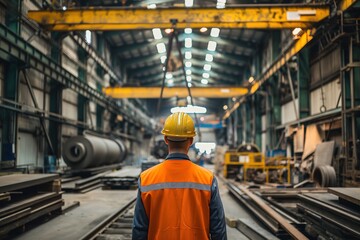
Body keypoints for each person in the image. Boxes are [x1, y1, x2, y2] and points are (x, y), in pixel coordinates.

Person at [132, 112, 227, 240]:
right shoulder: (207, 179)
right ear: (191, 141)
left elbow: (139, 229)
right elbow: (218, 228)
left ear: (165, 139)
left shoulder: (147, 178)